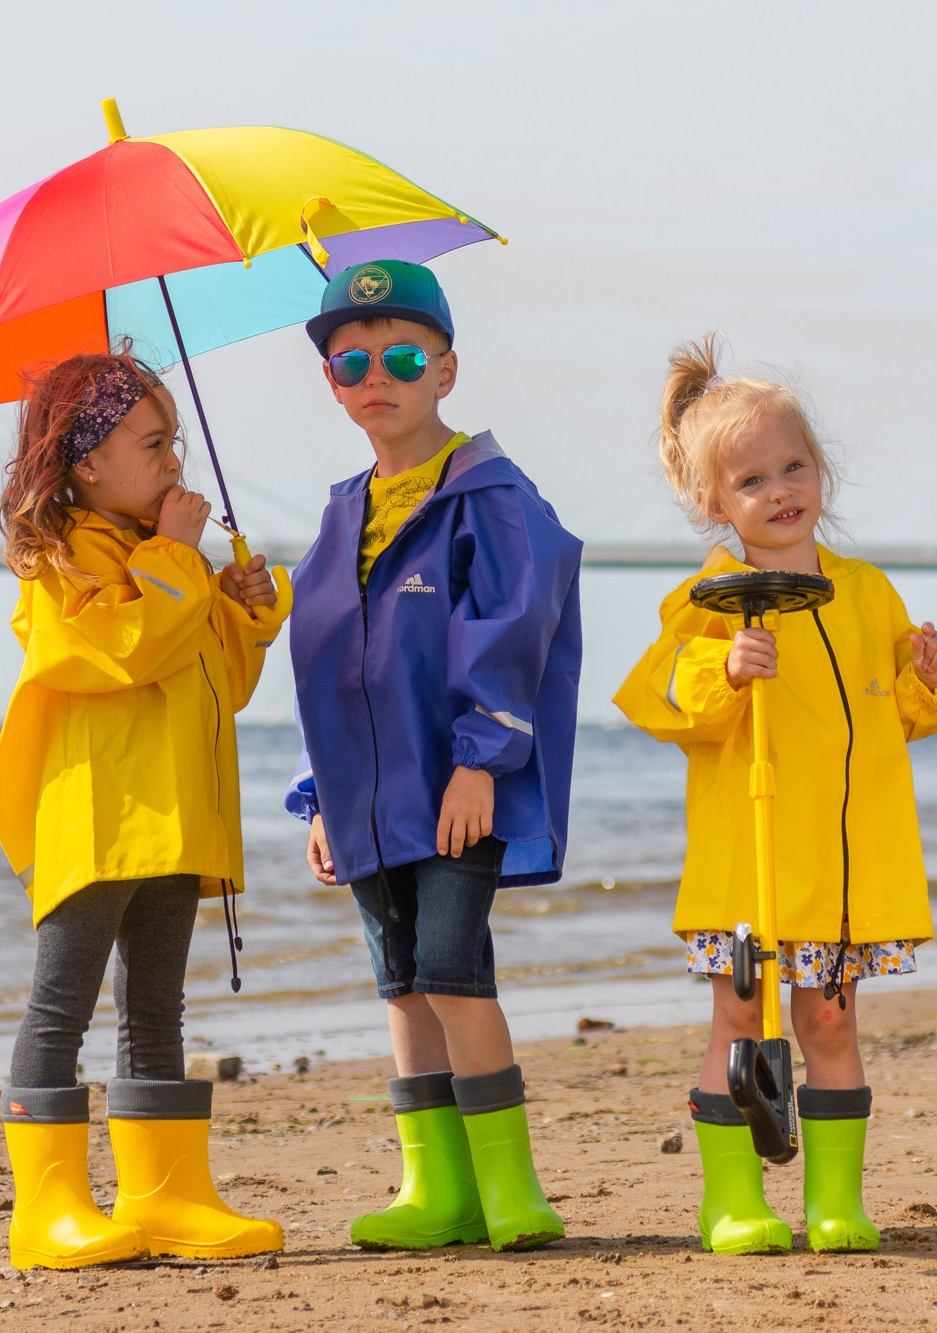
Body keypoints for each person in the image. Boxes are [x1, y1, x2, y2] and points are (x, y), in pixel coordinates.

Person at [613, 335, 937, 1255]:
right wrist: (724, 668)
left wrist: (934, 670)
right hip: (753, 867)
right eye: (751, 482)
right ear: (712, 504)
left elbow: (914, 711)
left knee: (829, 1019)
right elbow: (654, 697)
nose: (780, 491)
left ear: (821, 471)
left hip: (845, 870)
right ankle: (730, 1199)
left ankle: (835, 1201)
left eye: (793, 467)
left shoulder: (866, 592)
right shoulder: (710, 594)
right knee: (740, 1016)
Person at [285, 259, 583, 1252]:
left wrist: (479, 759)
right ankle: (435, 1188)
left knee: (455, 973)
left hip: (457, 785)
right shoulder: (340, 513)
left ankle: (509, 1187)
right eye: (349, 363)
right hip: (368, 796)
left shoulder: (488, 496)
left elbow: (515, 623)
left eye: (401, 358)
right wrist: (316, 796)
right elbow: (329, 665)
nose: (376, 377)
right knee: (402, 984)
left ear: (445, 370)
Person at [0, 349, 291, 1270]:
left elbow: (214, 685)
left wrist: (244, 611)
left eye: (175, 443)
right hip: (96, 816)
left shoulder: (162, 554)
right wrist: (176, 558)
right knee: (62, 1005)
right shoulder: (59, 558)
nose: (174, 464)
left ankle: (166, 1195)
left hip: (173, 813)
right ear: (86, 462)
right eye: (153, 443)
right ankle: (44, 1209)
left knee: (157, 1006)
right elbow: (122, 650)